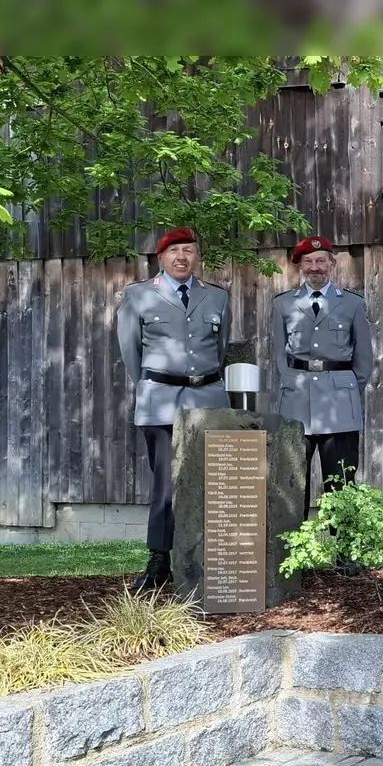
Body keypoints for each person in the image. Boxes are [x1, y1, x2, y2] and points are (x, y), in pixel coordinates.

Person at [116, 227, 232, 590]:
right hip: (161, 401)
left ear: (198, 257)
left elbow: (221, 347)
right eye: (175, 251)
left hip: (207, 398)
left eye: (189, 251)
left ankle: (211, 558)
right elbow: (130, 353)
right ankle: (159, 561)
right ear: (161, 258)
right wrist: (155, 384)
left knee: (212, 480)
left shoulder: (216, 298)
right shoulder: (138, 296)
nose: (182, 257)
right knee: (166, 484)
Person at [269, 235, 375, 496]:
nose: (314, 267)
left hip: (339, 405)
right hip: (296, 402)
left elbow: (363, 359)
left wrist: (346, 387)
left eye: (320, 261)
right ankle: (293, 537)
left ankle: (343, 537)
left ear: (332, 263)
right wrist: (290, 382)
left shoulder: (352, 304)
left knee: (341, 483)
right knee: (292, 483)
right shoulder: (283, 304)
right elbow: (279, 355)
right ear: (300, 266)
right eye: (308, 262)